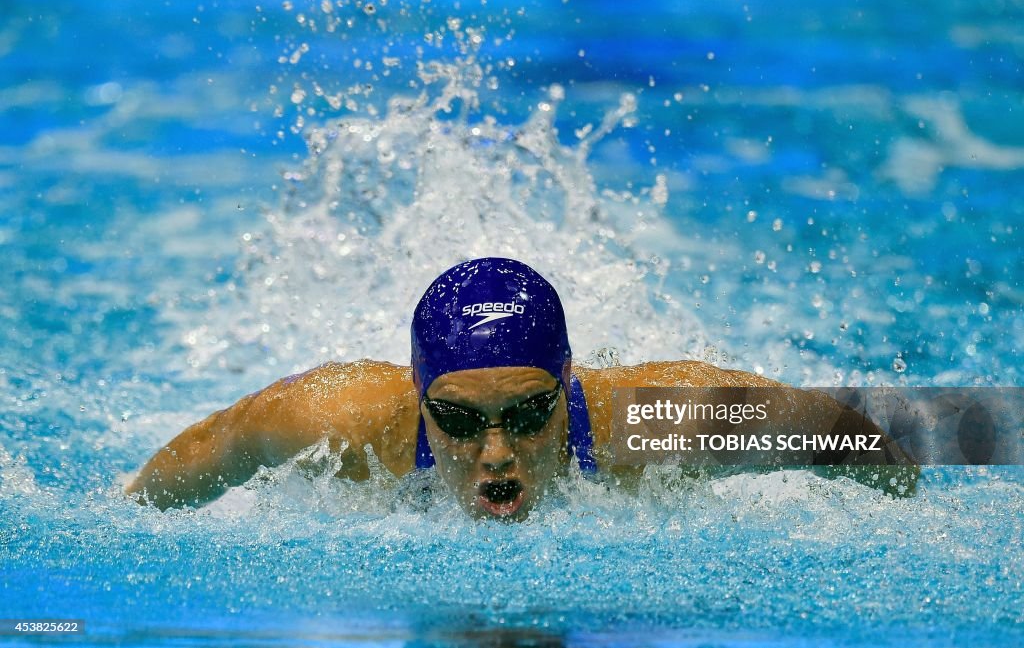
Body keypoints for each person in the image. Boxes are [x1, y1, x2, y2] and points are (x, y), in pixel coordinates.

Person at [127, 257, 918, 519]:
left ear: (566, 383)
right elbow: (209, 448)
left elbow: (848, 430)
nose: (496, 453)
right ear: (418, 392)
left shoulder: (653, 423)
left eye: (532, 411)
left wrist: (905, 500)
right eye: (459, 420)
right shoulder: (335, 422)